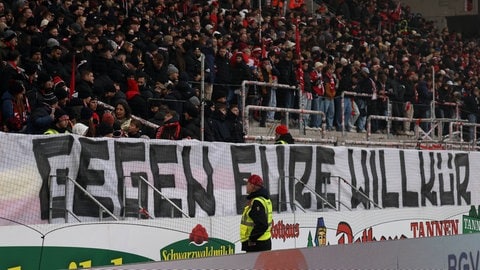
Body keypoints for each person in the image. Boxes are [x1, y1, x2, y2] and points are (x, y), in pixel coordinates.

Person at [240, 174, 273, 253]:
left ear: (252, 186)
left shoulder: (257, 202)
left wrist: (252, 239)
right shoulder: (265, 199)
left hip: (256, 244)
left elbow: (262, 224)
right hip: (264, 241)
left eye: (247, 184)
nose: (246, 186)